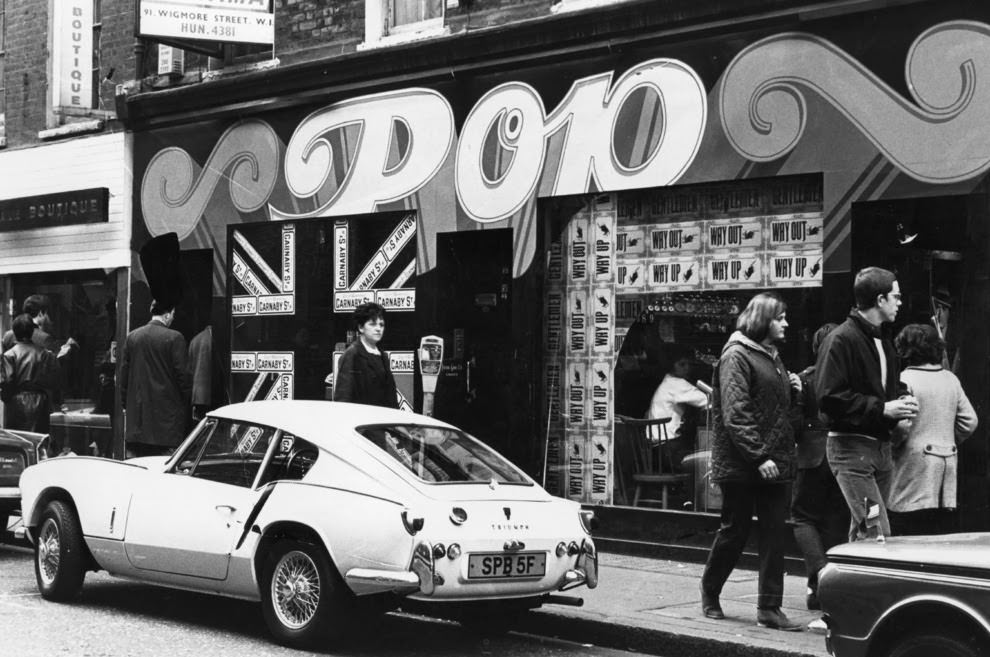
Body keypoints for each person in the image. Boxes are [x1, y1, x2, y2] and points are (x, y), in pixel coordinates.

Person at [700, 292, 802, 631]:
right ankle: (710, 591)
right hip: (745, 462)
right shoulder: (737, 355)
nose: (786, 323)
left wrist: (794, 389)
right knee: (735, 531)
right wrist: (758, 456)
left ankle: (769, 609)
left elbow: (772, 407)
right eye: (780, 317)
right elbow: (736, 411)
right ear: (763, 321)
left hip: (774, 459)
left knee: (775, 533)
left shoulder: (771, 356)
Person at [816, 266, 919, 542]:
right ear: (880, 299)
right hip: (852, 451)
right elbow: (828, 396)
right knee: (875, 530)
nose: (900, 303)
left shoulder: (882, 339)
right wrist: (883, 408)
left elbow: (885, 385)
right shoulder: (840, 339)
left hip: (877, 451)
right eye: (896, 297)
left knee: (865, 529)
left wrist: (901, 396)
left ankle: (844, 584)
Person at [887, 323, 977, 535]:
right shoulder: (950, 379)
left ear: (905, 349)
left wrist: (892, 446)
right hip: (947, 465)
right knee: (938, 531)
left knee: (907, 528)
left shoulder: (904, 380)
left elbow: (901, 425)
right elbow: (970, 421)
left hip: (912, 465)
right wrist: (946, 437)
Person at [790, 322, 849, 621]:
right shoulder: (849, 378)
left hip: (812, 455)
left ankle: (819, 577)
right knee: (835, 520)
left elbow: (795, 425)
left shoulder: (806, 379)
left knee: (802, 517)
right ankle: (825, 587)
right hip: (844, 454)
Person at [119, 301, 192, 457]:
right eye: (173, 315)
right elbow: (184, 379)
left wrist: (127, 406)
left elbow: (123, 378)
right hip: (166, 427)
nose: (173, 318)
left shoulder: (132, 337)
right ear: (167, 315)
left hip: (137, 425)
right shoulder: (175, 338)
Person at [646, 344, 709, 474]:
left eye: (688, 364)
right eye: (682, 364)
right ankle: (698, 493)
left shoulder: (667, 382)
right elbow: (707, 401)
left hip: (655, 451)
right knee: (707, 459)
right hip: (669, 451)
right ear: (672, 366)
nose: (687, 368)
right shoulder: (677, 384)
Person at [333, 302, 399, 409]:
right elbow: (343, 398)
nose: (378, 328)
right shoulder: (352, 354)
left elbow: (391, 396)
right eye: (372, 324)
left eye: (381, 324)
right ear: (361, 328)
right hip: (363, 420)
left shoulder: (383, 355)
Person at [1, 314, 59, 433]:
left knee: (18, 442)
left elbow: (7, 382)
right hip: (41, 402)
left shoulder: (9, 355)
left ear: (15, 332)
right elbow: (53, 381)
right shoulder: (45, 354)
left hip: (16, 403)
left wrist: (7, 399)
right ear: (32, 332)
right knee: (39, 441)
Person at [1, 294, 76, 357]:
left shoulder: (8, 335)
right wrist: (65, 349)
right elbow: (51, 364)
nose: (48, 318)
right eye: (47, 313)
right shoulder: (45, 338)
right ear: (41, 313)